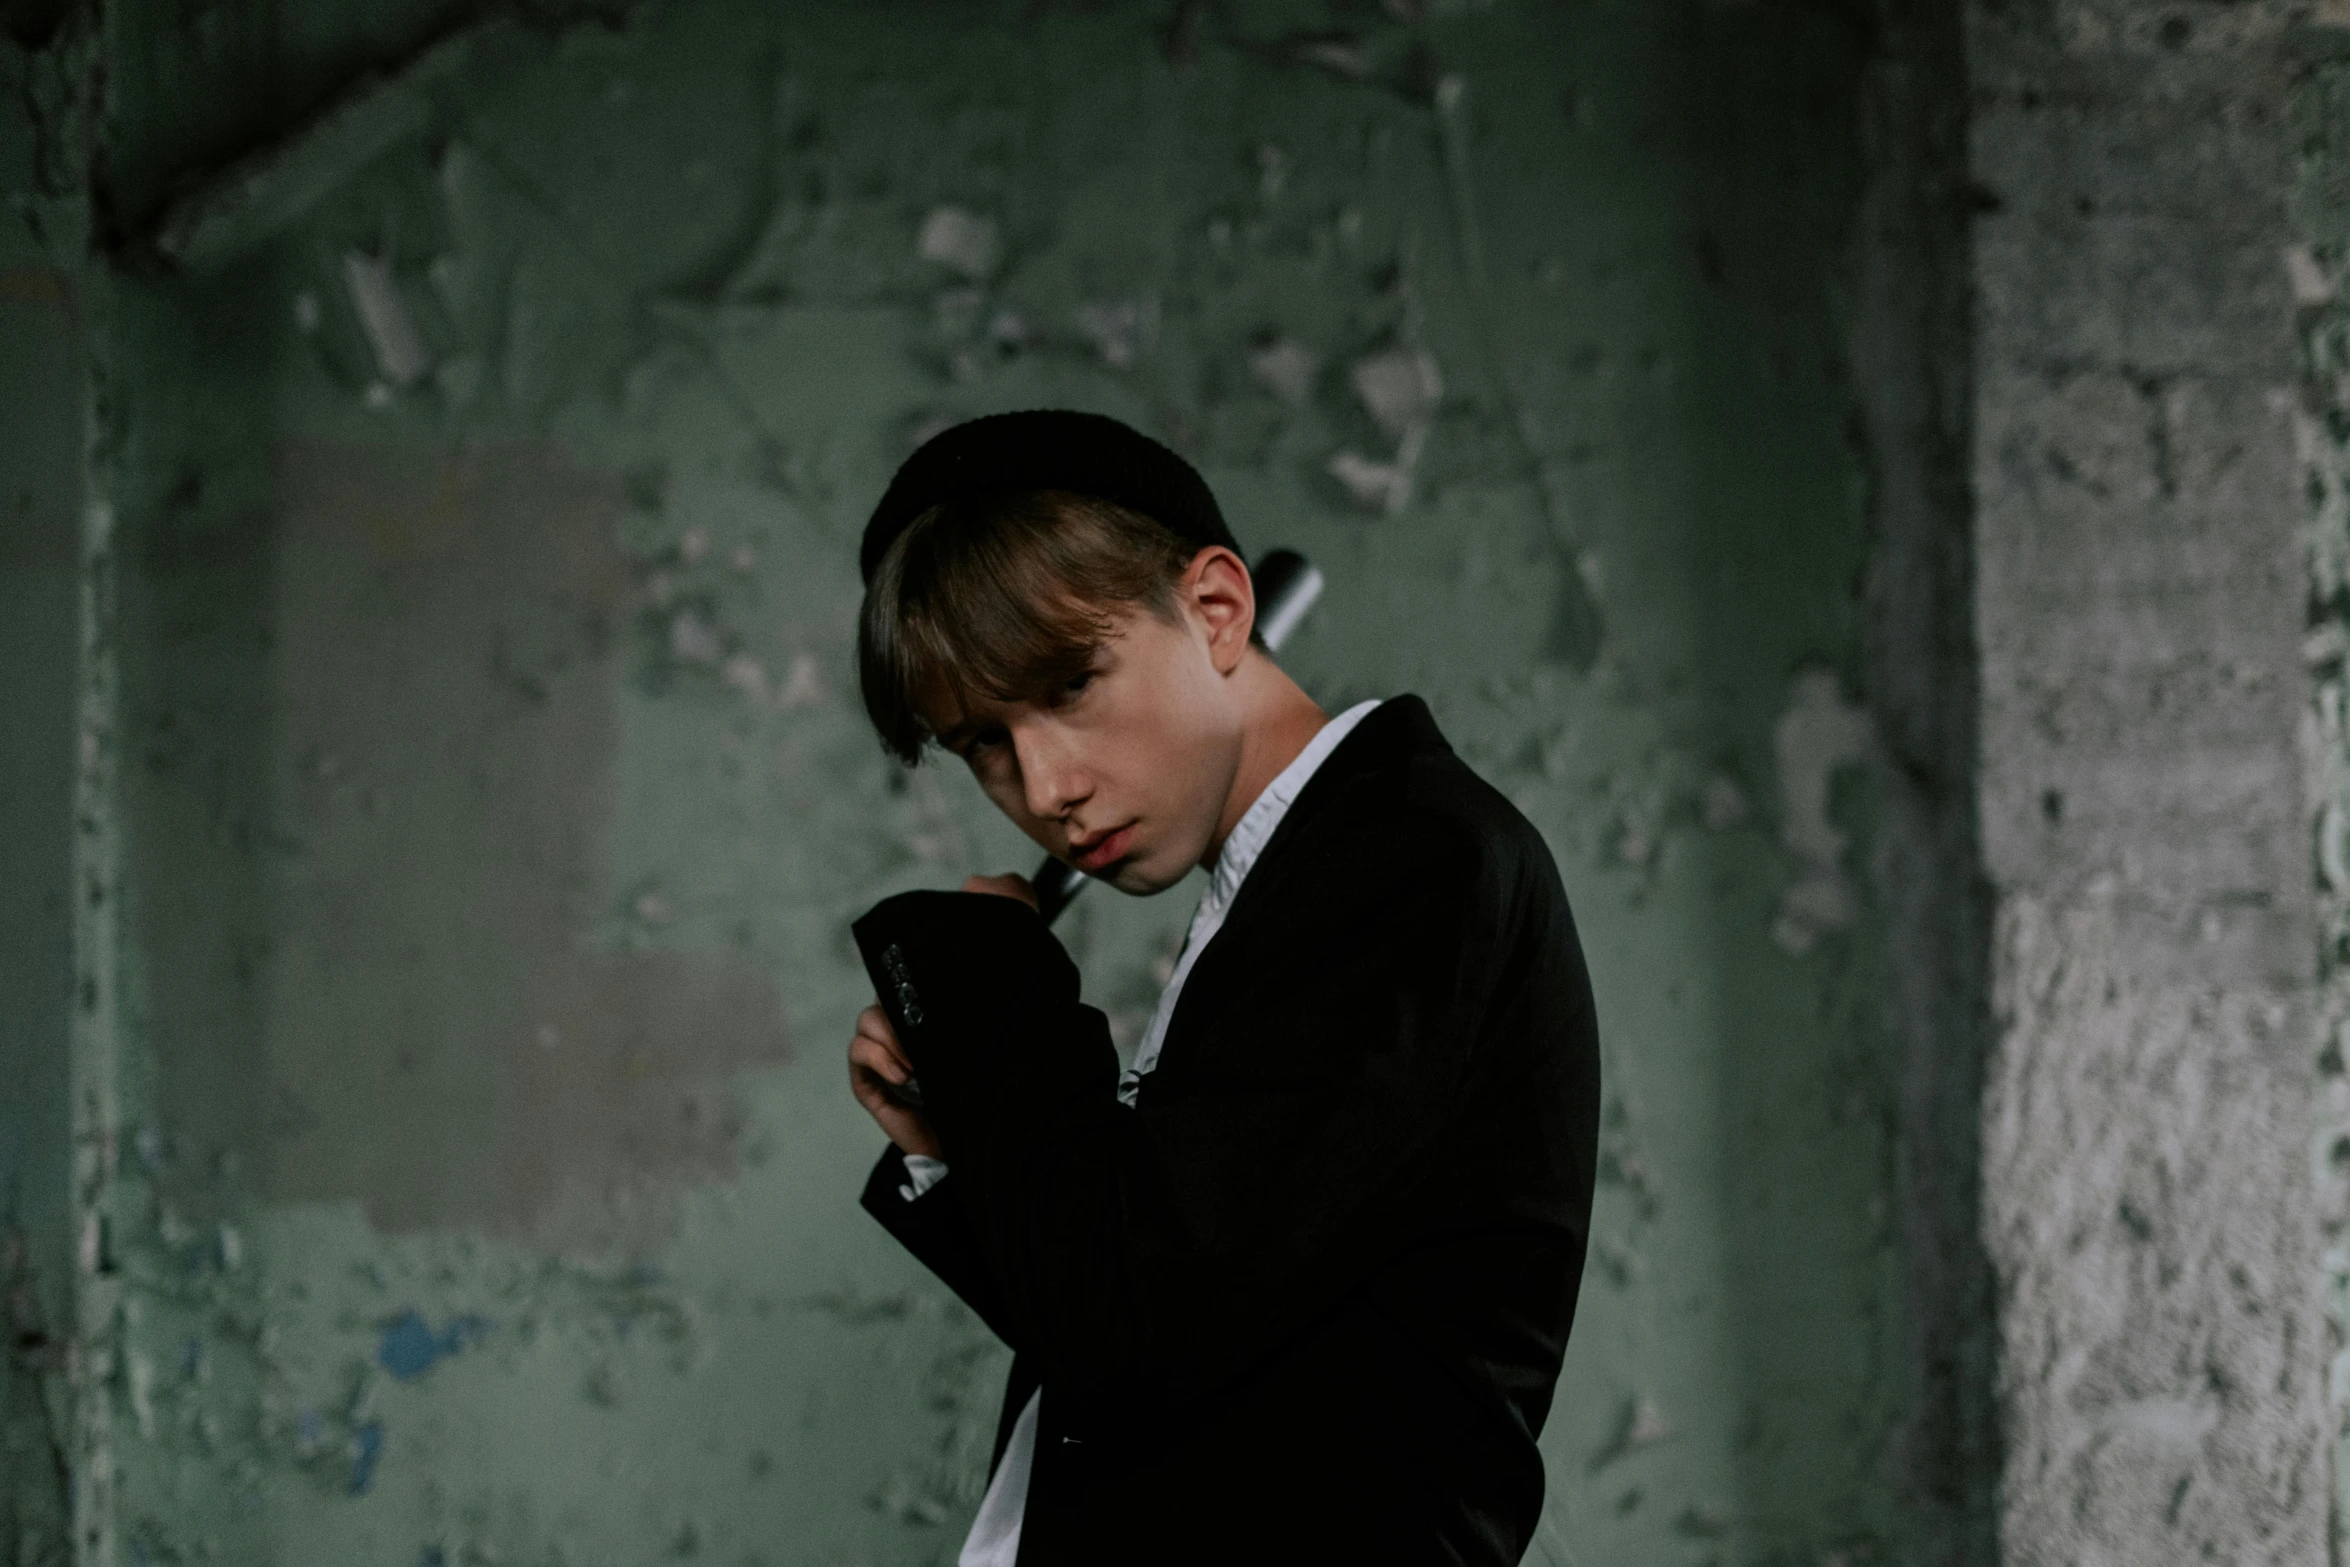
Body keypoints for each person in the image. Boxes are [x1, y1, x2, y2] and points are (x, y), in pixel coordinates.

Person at [843, 410, 1600, 1565]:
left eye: (1070, 684)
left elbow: (1132, 1323)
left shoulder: (1401, 859)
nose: (1044, 785)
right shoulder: (1281, 889)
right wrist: (960, 1139)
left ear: (1214, 611)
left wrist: (995, 1008)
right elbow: (1168, 1344)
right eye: (983, 742)